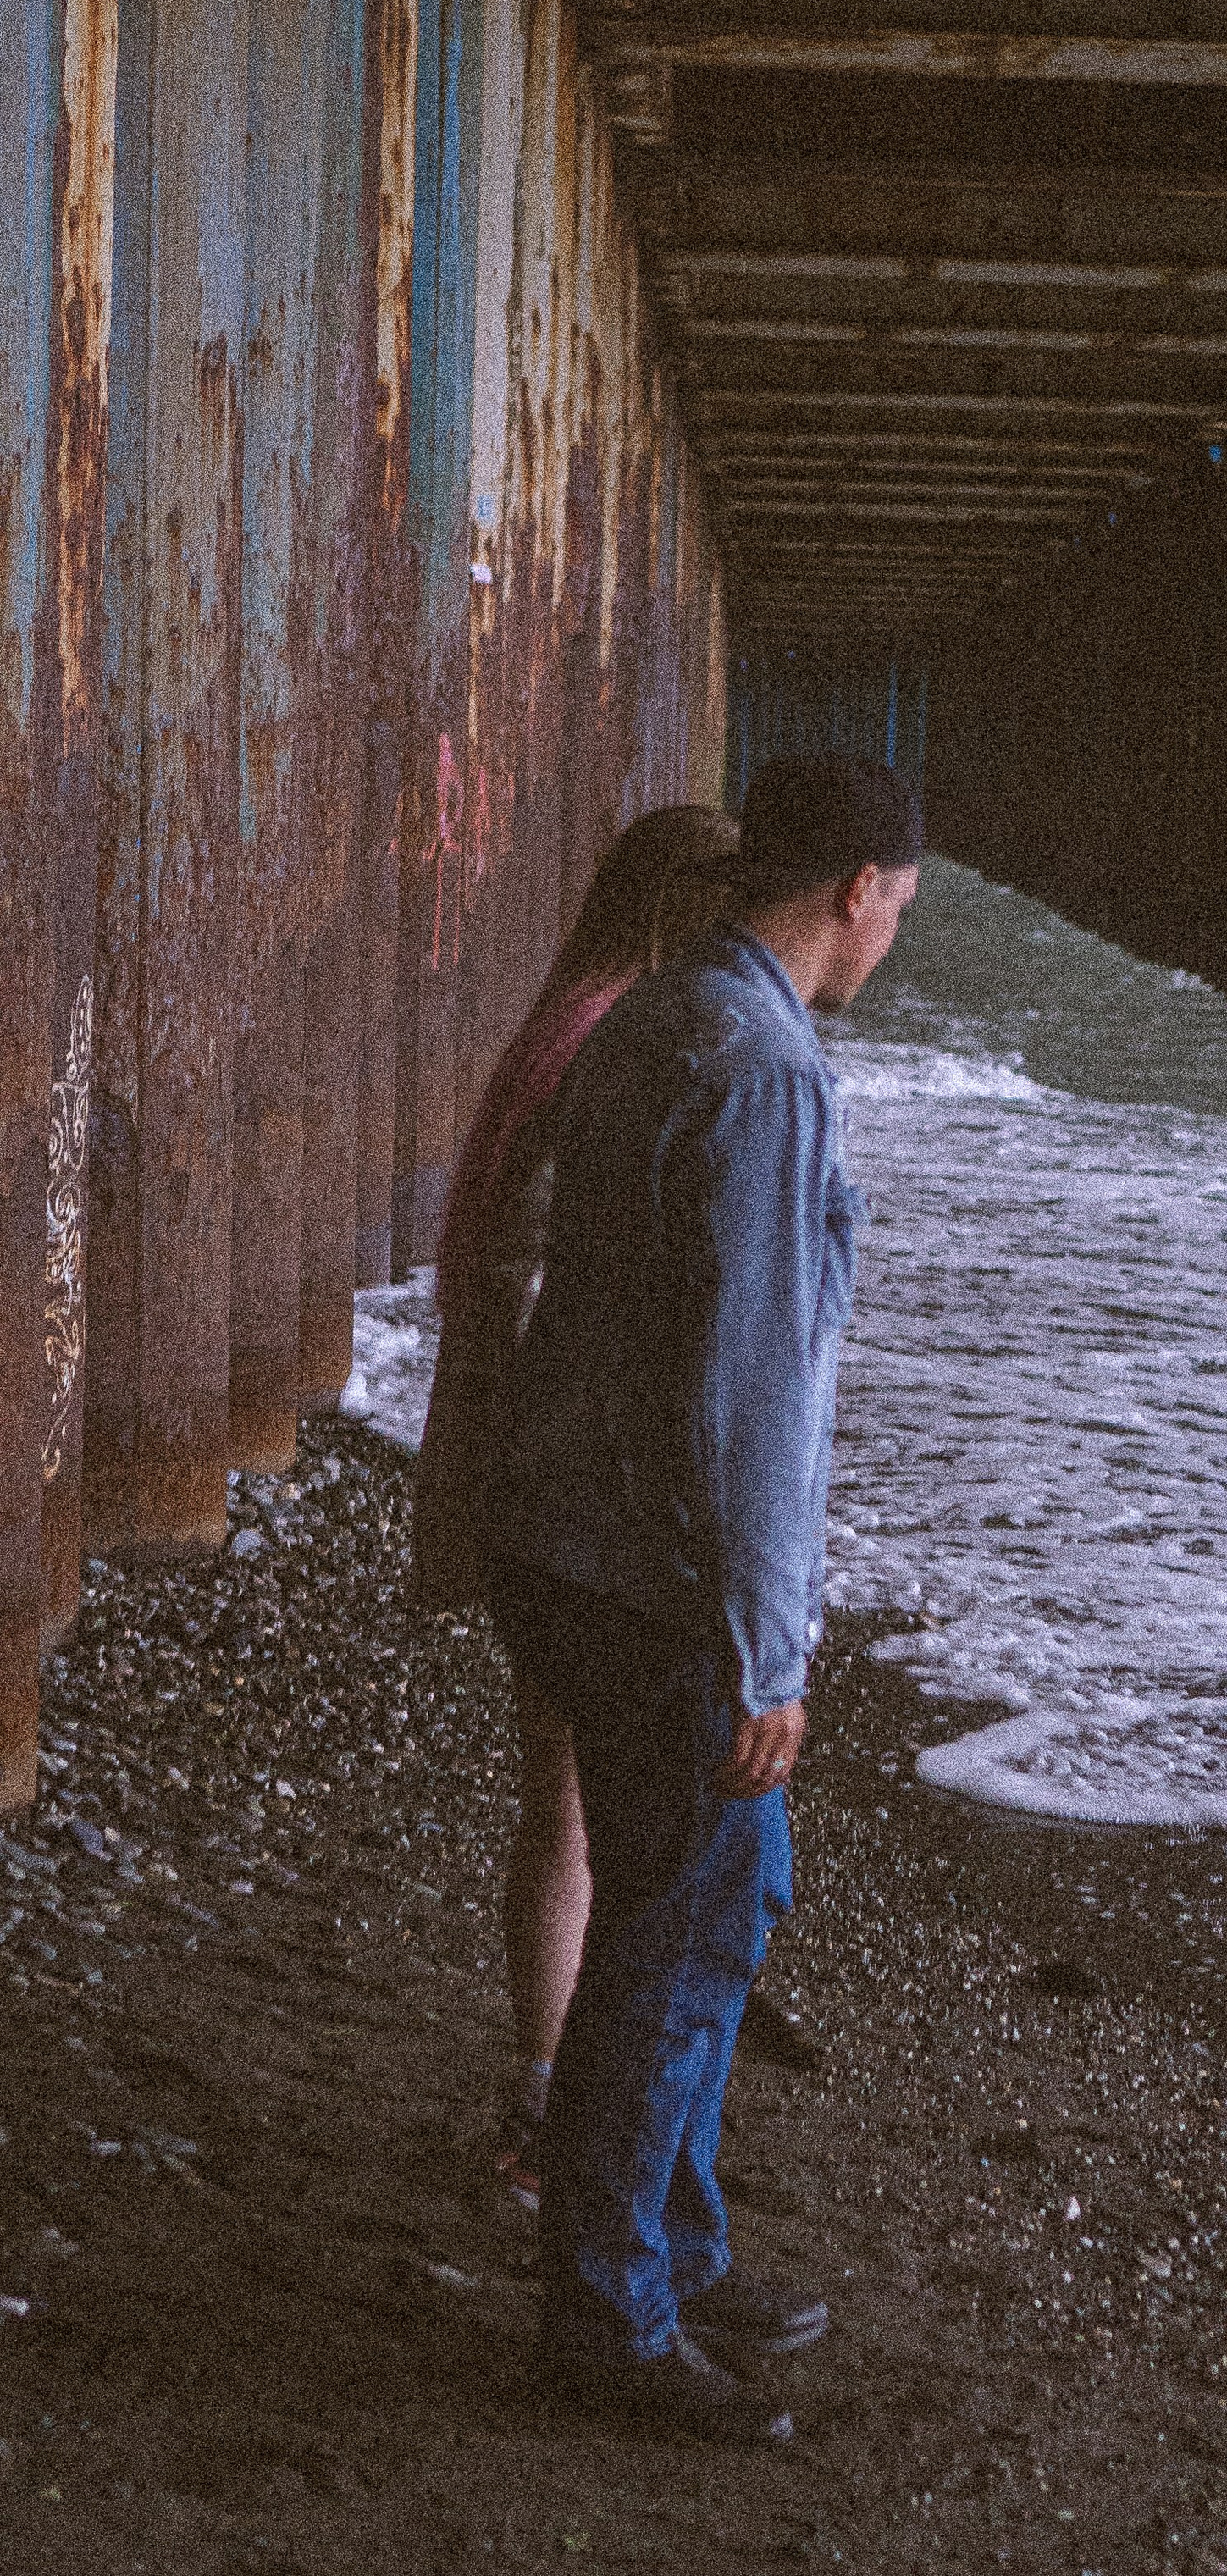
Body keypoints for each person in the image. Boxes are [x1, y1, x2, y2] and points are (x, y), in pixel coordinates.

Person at [485, 754, 921, 2441]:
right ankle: (608, 2313)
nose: (891, 932)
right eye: (898, 904)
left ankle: (669, 2239)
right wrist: (761, 1652)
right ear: (853, 892)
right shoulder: (759, 1069)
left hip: (565, 1540)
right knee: (671, 1939)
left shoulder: (659, 1015)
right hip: (654, 1576)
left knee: (713, 1900)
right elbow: (744, 1392)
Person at [412, 804, 740, 2201]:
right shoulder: (621, 1042)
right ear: (686, 907)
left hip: (498, 1460)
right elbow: (547, 1287)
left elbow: (486, 1271)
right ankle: (558, 2112)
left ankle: (548, 2089)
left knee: (560, 1797)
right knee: (593, 1807)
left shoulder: (564, 1018)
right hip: (552, 1484)